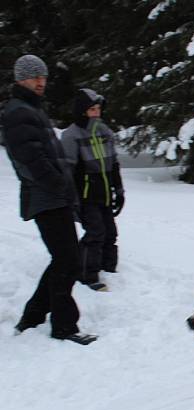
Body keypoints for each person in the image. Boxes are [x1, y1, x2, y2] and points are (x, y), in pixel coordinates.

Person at [1, 54, 97, 345]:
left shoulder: (32, 109)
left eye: (43, 77)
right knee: (68, 260)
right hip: (45, 196)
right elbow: (29, 159)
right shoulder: (18, 112)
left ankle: (32, 317)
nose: (40, 82)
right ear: (21, 79)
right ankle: (64, 326)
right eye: (34, 77)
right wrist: (57, 184)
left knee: (63, 259)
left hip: (54, 195)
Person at [61, 88, 124, 291]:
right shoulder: (71, 135)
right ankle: (87, 275)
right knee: (95, 233)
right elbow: (67, 170)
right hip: (85, 196)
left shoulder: (105, 132)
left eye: (98, 109)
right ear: (82, 111)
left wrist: (120, 191)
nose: (96, 113)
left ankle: (109, 269)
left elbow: (113, 164)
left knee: (110, 233)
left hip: (104, 193)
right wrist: (72, 200)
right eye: (91, 109)